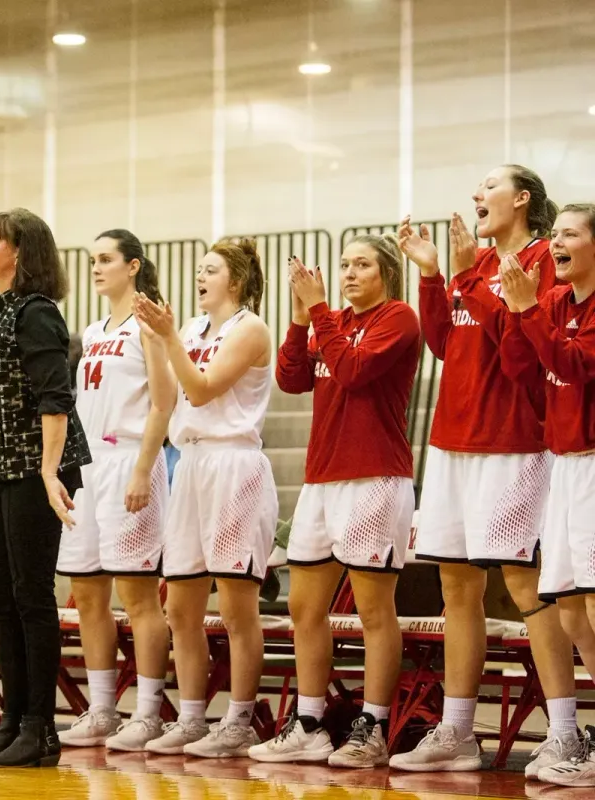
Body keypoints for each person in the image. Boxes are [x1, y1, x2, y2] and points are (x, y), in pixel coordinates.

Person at [393, 165, 580, 775]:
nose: (476, 194)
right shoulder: (474, 266)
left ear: (522, 198)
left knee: (529, 588)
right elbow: (447, 344)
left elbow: (522, 350)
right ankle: (457, 731)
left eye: (490, 185)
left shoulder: (543, 261)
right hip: (452, 441)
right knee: (456, 589)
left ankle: (567, 732)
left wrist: (475, 281)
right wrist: (431, 274)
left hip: (515, 442)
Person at [255, 235, 420, 767]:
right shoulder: (334, 322)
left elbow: (351, 371)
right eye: (344, 264)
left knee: (375, 610)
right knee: (305, 607)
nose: (349, 273)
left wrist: (320, 310)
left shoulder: (400, 318)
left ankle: (370, 725)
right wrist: (301, 318)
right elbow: (292, 377)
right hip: (321, 479)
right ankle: (308, 722)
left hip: (375, 477)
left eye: (362, 264)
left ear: (386, 272)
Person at [0, 207, 92, 768]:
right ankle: (11, 722)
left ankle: (40, 729)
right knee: (4, 602)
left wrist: (49, 471)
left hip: (37, 471)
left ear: (21, 252)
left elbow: (55, 398)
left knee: (33, 599)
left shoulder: (37, 313)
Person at [133, 239, 276, 759]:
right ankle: (193, 717)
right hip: (190, 464)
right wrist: (155, 338)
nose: (201, 277)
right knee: (180, 605)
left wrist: (168, 339)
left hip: (234, 466)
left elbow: (202, 389)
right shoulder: (191, 330)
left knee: (238, 609)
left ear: (234, 282)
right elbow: (168, 397)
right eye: (199, 270)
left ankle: (239, 720)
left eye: (210, 270)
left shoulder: (252, 328)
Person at [55, 230, 173, 752]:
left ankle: (147, 711)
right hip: (89, 467)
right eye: (92, 260)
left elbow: (164, 404)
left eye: (106, 259)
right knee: (87, 595)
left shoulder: (148, 325)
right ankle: (101, 708)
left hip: (130, 459)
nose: (96, 268)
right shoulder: (92, 327)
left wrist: (144, 470)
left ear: (133, 266)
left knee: (139, 597)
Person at [499, 203, 595, 788]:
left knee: (592, 606)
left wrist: (528, 309)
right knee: (567, 611)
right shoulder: (554, 302)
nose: (556, 242)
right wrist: (519, 311)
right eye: (553, 233)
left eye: (569, 233)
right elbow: (519, 366)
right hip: (563, 465)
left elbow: (571, 363)